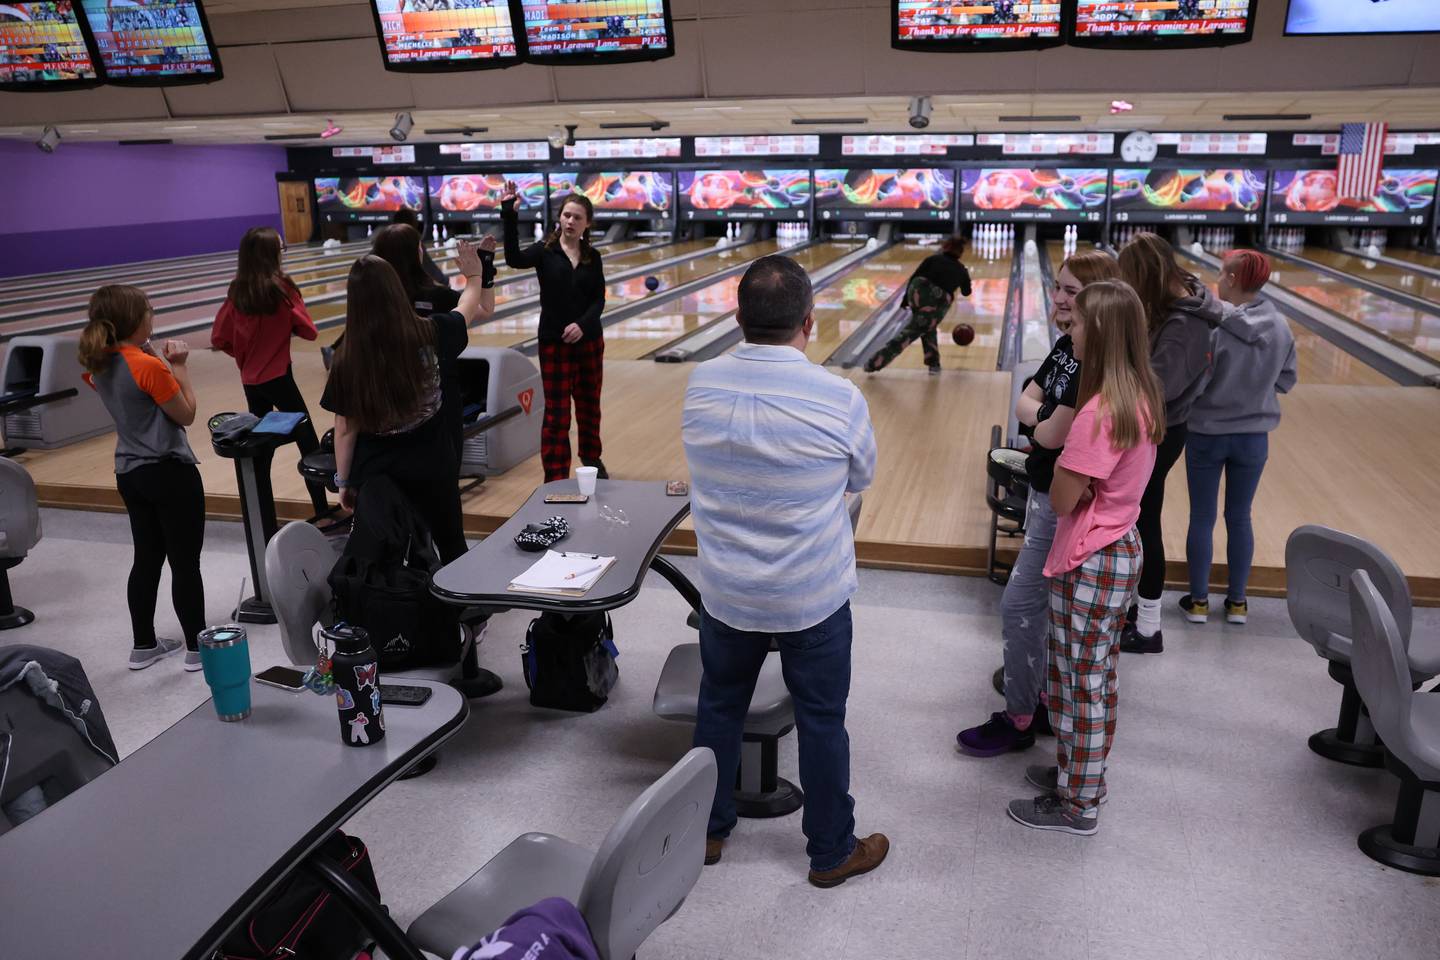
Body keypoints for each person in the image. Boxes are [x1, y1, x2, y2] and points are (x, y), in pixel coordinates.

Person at [683, 254, 887, 888]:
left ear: (738, 317)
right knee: (823, 719)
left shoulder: (701, 383)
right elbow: (860, 479)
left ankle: (709, 831)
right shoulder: (838, 397)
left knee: (719, 708)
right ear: (810, 321)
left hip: (727, 592)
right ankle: (830, 853)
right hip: (813, 594)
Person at [1007, 280, 1163, 835]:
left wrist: (1066, 475)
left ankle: (1078, 804)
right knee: (1091, 678)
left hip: (1092, 556)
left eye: (1075, 325)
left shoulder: (1099, 413)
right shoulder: (1139, 395)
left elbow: (1063, 497)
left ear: (1100, 334)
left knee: (1079, 684)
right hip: (1115, 546)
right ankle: (1081, 776)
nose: (1065, 328)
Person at [956, 251, 1121, 757]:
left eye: (1072, 292)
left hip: (1063, 500)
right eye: (1059, 288)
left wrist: (1041, 417)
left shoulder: (1092, 357)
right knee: (1040, 607)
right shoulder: (1066, 345)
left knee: (1022, 603)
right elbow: (1026, 407)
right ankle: (1041, 701)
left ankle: (1021, 716)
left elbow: (1048, 426)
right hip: (1046, 488)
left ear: (1096, 301)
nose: (1060, 299)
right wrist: (1042, 418)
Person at [320, 241, 493, 567]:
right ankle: (466, 613)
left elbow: (344, 429)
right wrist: (474, 276)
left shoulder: (348, 358)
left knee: (391, 551)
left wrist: (344, 481)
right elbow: (466, 309)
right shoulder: (430, 333)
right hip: (432, 460)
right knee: (451, 541)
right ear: (395, 292)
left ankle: (403, 608)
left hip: (378, 470)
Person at [78, 285, 206, 672]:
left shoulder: (100, 364)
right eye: (149, 311)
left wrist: (150, 353)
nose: (153, 315)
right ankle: (198, 649)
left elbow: (137, 392)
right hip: (168, 472)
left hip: (130, 473)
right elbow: (185, 414)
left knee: (147, 559)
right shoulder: (146, 366)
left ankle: (144, 645)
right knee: (185, 563)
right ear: (134, 321)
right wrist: (180, 367)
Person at [1116, 232, 1226, 654]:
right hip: (1159, 427)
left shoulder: (1184, 326)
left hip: (1159, 432)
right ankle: (1133, 615)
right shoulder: (1176, 308)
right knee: (1138, 519)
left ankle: (1147, 628)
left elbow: (1154, 389)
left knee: (1143, 523)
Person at [1181, 250, 1297, 625]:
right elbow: (1287, 380)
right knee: (1240, 517)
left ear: (1231, 279)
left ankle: (1198, 602)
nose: (1217, 278)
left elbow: (1196, 383)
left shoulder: (1215, 329)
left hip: (1206, 434)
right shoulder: (1281, 327)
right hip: (1253, 438)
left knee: (1202, 516)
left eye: (1220, 272)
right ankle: (1237, 603)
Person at [210, 226, 329, 516]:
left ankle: (261, 512)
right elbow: (310, 331)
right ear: (272, 255)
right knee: (308, 441)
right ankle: (324, 512)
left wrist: (246, 356)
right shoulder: (282, 289)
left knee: (261, 447)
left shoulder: (237, 291)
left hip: (251, 381)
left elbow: (219, 338)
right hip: (279, 378)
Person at [500, 181, 607, 481]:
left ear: (587, 223)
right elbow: (512, 258)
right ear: (559, 218)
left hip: (589, 342)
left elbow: (599, 299)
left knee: (589, 407)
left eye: (577, 217)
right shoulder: (544, 252)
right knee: (557, 414)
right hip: (554, 343)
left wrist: (583, 325)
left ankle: (592, 459)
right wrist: (509, 213)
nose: (570, 221)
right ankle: (556, 475)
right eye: (567, 215)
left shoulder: (592, 257)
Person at [864, 234, 972, 375]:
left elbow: (915, 276)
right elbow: (966, 292)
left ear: (945, 248)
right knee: (912, 331)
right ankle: (875, 362)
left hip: (916, 290)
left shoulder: (932, 259)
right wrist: (963, 277)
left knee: (927, 327)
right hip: (935, 298)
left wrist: (905, 299)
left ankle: (934, 363)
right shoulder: (961, 269)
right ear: (960, 252)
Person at [390, 208, 449, 287]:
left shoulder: (384, 241)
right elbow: (434, 273)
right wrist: (445, 280)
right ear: (414, 224)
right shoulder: (414, 243)